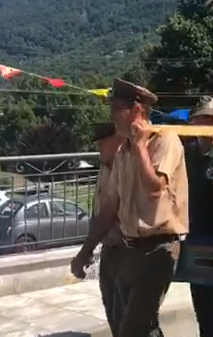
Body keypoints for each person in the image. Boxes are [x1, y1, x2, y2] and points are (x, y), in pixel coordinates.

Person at [70, 78, 188, 337]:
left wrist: (141, 147)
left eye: (116, 110)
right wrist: (86, 251)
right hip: (129, 248)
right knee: (136, 327)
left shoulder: (165, 140)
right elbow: (109, 208)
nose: (112, 117)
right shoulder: (123, 152)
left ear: (136, 110)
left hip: (158, 249)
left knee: (132, 329)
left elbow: (155, 189)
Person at [185, 96, 213, 337]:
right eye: (201, 119)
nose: (206, 124)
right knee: (201, 301)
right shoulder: (187, 153)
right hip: (196, 235)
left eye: (211, 119)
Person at [91, 122, 124, 336]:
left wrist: (86, 250)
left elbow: (110, 211)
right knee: (112, 311)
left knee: (135, 320)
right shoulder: (105, 167)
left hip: (129, 249)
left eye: (103, 142)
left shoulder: (127, 165)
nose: (99, 146)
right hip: (109, 248)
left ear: (118, 140)